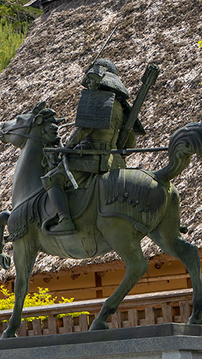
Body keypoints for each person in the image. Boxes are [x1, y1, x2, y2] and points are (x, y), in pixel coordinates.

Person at [42, 59, 145, 234]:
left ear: (101, 78)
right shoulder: (121, 107)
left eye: (90, 79)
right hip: (115, 161)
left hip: (91, 158)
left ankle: (65, 220)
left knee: (52, 178)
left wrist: (66, 148)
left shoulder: (98, 100)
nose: (87, 83)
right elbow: (129, 143)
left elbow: (83, 129)